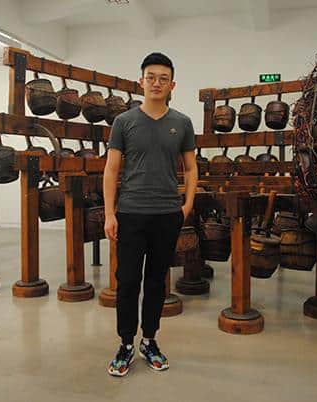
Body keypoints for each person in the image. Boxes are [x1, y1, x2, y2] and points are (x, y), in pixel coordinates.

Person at [102, 52, 198, 376]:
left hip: (167, 215)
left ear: (172, 85)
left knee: (157, 281)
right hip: (130, 214)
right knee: (128, 281)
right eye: (151, 77)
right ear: (141, 81)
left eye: (163, 78)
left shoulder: (182, 123)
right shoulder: (123, 122)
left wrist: (187, 205)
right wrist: (110, 213)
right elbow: (111, 169)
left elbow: (191, 168)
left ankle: (149, 340)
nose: (156, 83)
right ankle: (126, 344)